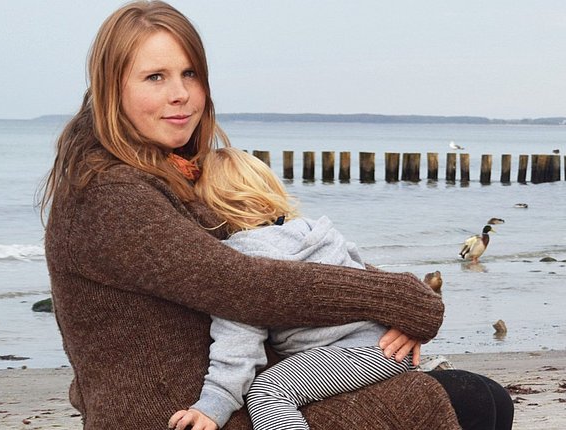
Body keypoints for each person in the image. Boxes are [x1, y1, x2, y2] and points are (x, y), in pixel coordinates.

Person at [38, 1, 513, 429]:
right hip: (180, 413)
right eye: (154, 77)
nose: (180, 94)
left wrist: (388, 315)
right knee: (452, 402)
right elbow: (245, 283)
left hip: (229, 394)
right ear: (110, 90)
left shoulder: (168, 170)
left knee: (485, 398)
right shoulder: (107, 194)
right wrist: (401, 298)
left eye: (189, 74)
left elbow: (287, 255)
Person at [169, 147, 416, 430]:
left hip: (353, 351)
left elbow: (239, 339)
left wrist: (215, 404)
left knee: (269, 392)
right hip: (387, 343)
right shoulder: (314, 230)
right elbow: (363, 276)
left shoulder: (241, 259)